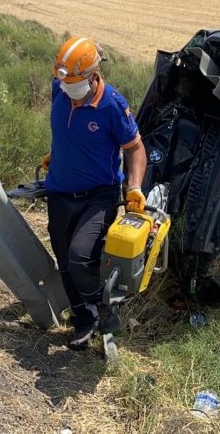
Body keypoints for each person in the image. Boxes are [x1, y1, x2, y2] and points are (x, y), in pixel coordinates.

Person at [42, 36, 147, 351]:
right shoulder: (59, 90)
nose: (67, 88)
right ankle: (84, 320)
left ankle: (104, 308)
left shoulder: (112, 105)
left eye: (73, 81)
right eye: (64, 81)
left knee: (80, 257)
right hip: (59, 192)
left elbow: (136, 148)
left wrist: (134, 187)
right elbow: (64, 131)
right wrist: (57, 154)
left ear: (92, 74)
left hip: (97, 196)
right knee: (63, 261)